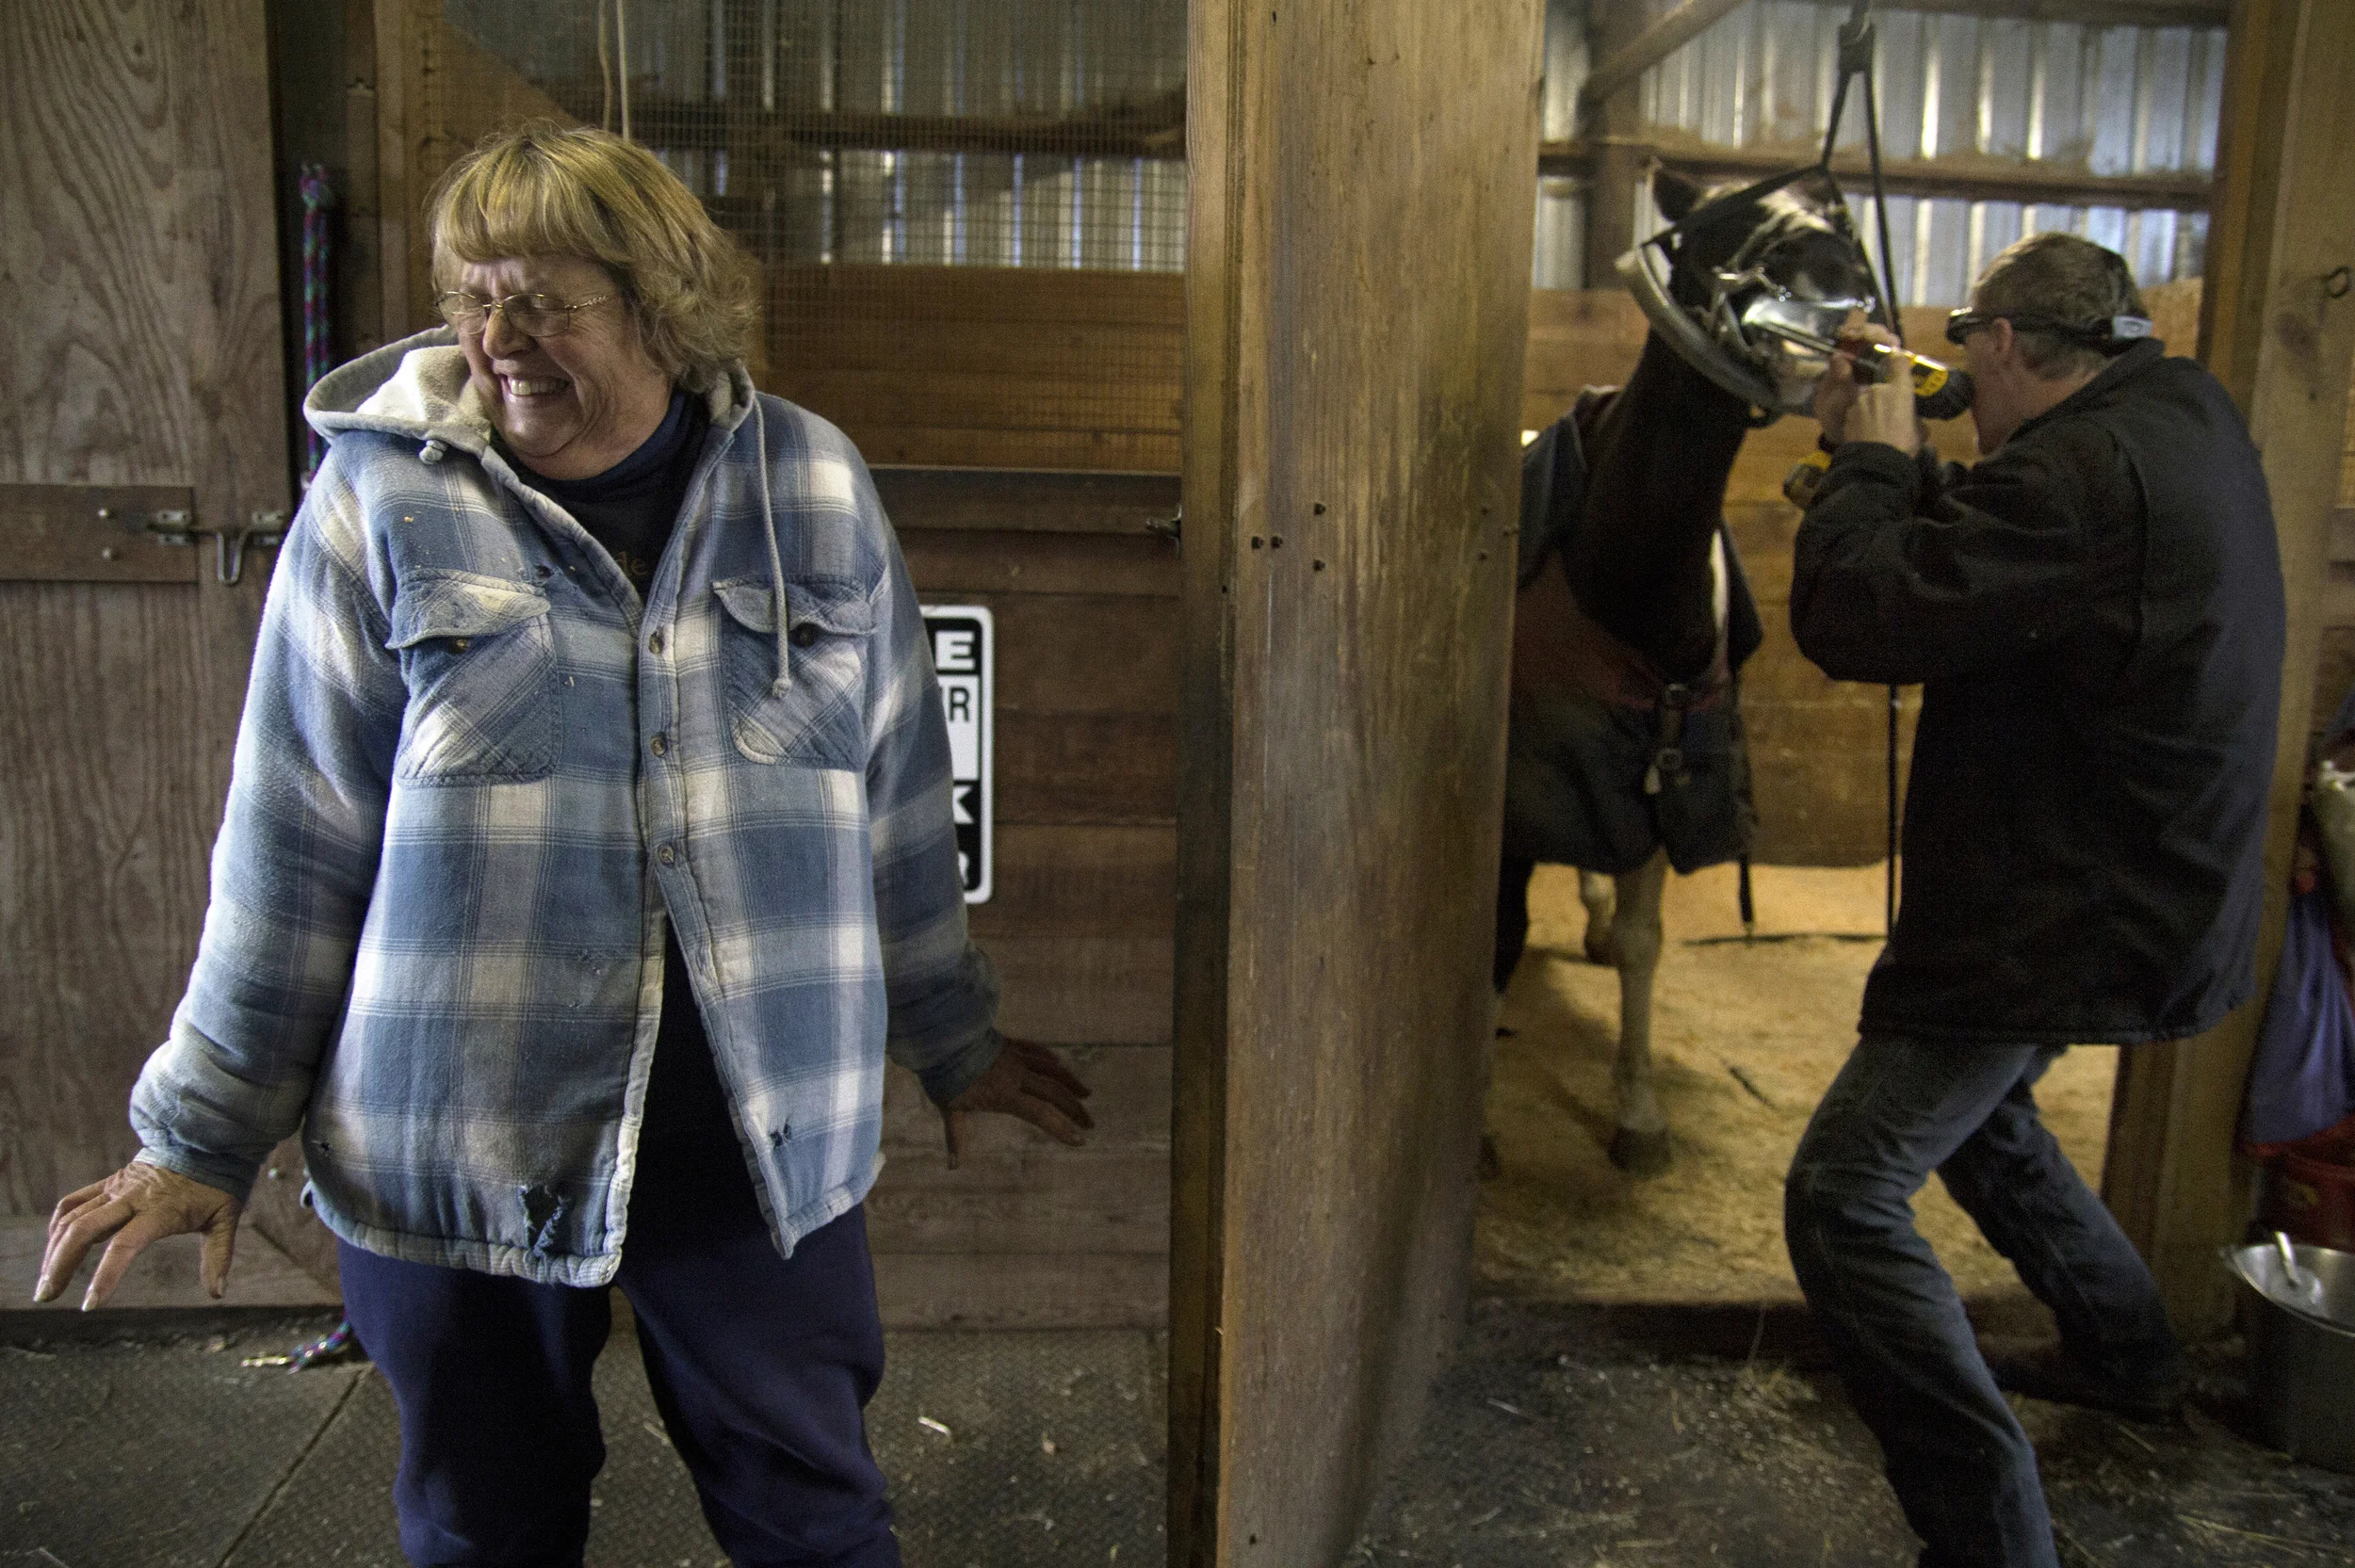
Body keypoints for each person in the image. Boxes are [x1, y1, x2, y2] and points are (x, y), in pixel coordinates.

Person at [35, 123, 1094, 1567]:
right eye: (473, 294)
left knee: (816, 1519)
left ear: (660, 301)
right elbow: (290, 836)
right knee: (487, 1524)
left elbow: (895, 797)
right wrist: (202, 1132)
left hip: (753, 1129)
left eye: (546, 299)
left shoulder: (815, 492)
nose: (498, 339)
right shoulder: (375, 504)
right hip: (456, 1129)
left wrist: (953, 1037)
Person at [1782, 231, 2284, 1568]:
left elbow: (1858, 616)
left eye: (1971, 355)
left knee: (1844, 1194)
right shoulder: (2176, 413)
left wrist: (1875, 460)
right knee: (1982, 1114)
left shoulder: (2078, 474)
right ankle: (2127, 1351)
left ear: (2006, 344)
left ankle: (1996, 1542)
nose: (1967, 381)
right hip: (2145, 868)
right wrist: (1893, 465)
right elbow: (2026, 555)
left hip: (2072, 894)